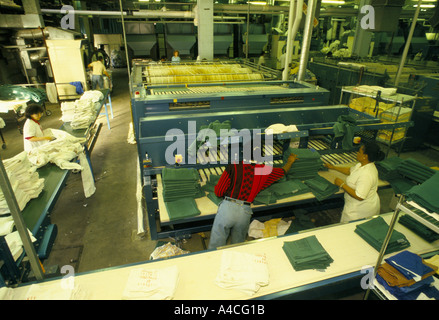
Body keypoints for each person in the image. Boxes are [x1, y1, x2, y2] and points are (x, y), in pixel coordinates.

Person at [208, 152, 298, 249]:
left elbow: (219, 191)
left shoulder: (234, 166)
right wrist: (290, 161)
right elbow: (282, 171)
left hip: (228, 208)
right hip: (245, 212)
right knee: (238, 245)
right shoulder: (263, 170)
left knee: (216, 244)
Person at [324, 141, 385, 223]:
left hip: (361, 211)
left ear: (365, 156)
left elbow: (360, 196)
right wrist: (333, 167)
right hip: (354, 205)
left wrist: (342, 184)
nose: (357, 153)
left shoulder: (367, 174)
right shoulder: (362, 164)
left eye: (359, 151)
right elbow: (350, 170)